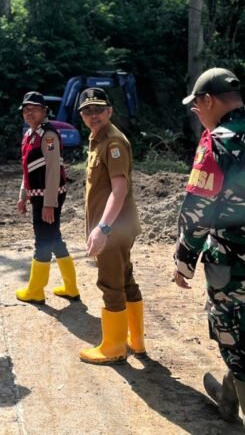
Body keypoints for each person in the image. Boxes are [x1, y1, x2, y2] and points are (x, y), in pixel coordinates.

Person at [174, 68, 245, 434]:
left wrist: (184, 260)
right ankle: (228, 401)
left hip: (234, 261)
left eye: (197, 104)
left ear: (209, 100)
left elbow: (197, 210)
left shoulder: (216, 141)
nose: (195, 110)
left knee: (243, 349)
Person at [77, 87, 145, 365]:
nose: (93, 116)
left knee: (110, 284)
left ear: (109, 111)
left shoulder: (113, 143)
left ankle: (114, 347)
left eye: (98, 110)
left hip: (113, 229)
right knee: (125, 280)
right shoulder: (98, 139)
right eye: (87, 111)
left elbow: (119, 189)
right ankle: (136, 341)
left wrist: (102, 228)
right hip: (117, 226)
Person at [15, 91, 80, 304]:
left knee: (43, 240)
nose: (29, 113)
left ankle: (35, 290)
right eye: (26, 109)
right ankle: (71, 287)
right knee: (53, 238)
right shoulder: (30, 135)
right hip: (38, 196)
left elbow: (53, 170)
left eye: (34, 109)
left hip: (48, 197)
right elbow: (28, 169)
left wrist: (49, 204)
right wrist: (23, 195)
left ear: (44, 111)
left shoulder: (48, 135)